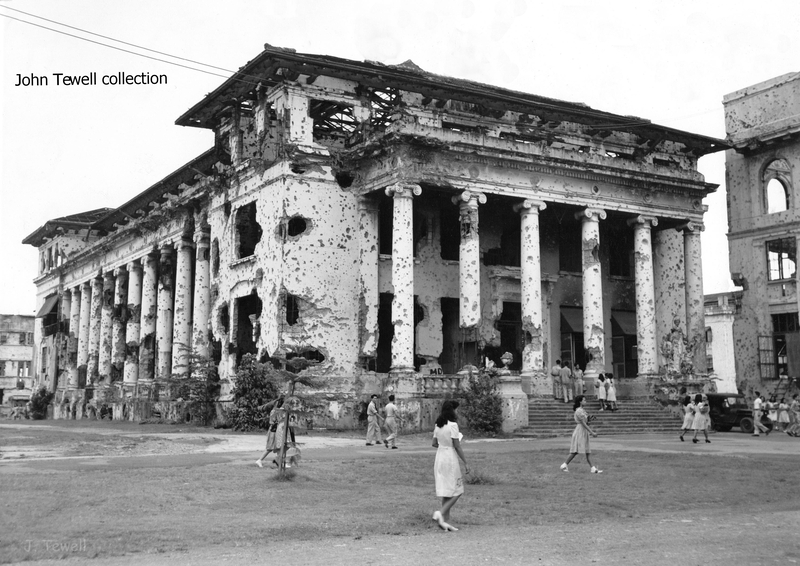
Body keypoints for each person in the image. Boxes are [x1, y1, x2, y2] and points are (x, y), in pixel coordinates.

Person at [432, 400, 469, 532]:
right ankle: (440, 513)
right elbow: (457, 446)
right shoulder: (453, 425)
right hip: (449, 457)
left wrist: (445, 443)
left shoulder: (438, 424)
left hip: (440, 456)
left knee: (446, 491)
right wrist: (465, 462)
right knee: (458, 490)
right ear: (452, 410)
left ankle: (445, 522)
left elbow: (434, 443)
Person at [560, 395, 602, 474]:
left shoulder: (582, 410)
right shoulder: (579, 411)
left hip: (583, 431)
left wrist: (590, 419)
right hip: (580, 431)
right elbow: (583, 423)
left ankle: (592, 468)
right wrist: (592, 432)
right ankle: (564, 464)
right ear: (580, 401)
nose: (585, 401)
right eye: (584, 400)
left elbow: (586, 422)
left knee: (587, 450)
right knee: (575, 450)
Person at [256, 397, 285, 468]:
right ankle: (260, 460)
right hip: (273, 430)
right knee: (270, 447)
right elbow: (272, 421)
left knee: (279, 447)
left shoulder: (277, 410)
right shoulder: (275, 411)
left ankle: (279, 461)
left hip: (276, 430)